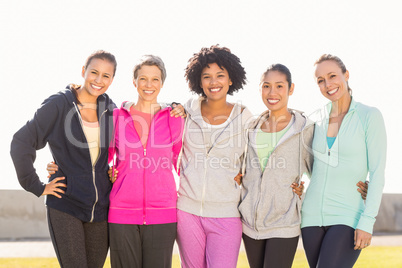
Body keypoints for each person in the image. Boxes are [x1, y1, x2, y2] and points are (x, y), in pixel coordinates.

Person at [10, 50, 117, 268]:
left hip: (101, 208)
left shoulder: (110, 110)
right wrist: (37, 185)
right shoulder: (59, 104)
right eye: (94, 72)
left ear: (112, 79)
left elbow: (125, 147)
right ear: (83, 71)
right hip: (66, 204)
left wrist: (114, 170)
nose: (99, 80)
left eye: (106, 75)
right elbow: (21, 142)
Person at [301, 54, 387, 267]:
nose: (327, 84)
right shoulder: (316, 121)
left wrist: (367, 222)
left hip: (347, 215)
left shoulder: (369, 116)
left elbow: (377, 172)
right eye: (320, 80)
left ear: (346, 75)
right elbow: (315, 168)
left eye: (332, 76)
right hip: (311, 217)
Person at [176, 45, 253, 268]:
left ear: (231, 79)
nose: (213, 82)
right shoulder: (187, 111)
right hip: (187, 212)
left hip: (226, 214)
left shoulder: (244, 117)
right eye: (206, 76)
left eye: (220, 75)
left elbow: (259, 158)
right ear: (198, 82)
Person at [107, 55, 185, 268]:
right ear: (134, 82)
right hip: (121, 213)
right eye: (143, 79)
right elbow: (102, 159)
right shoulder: (116, 117)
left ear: (162, 83)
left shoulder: (174, 118)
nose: (149, 85)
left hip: (163, 213)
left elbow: (184, 163)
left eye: (155, 80)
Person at [235, 64, 314, 268]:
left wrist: (301, 194)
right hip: (251, 223)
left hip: (284, 222)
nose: (272, 93)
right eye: (266, 86)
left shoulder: (305, 130)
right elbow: (239, 164)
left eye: (279, 86)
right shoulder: (250, 128)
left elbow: (320, 174)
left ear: (291, 88)